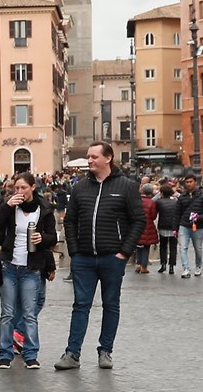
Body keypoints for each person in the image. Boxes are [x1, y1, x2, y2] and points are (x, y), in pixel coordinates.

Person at [57, 143, 143, 370]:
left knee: (111, 304)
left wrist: (124, 252)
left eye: (94, 156)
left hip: (111, 258)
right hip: (84, 258)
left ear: (108, 158)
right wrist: (74, 252)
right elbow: (70, 220)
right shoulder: (79, 188)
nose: (89, 160)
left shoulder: (126, 186)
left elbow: (138, 220)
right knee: (80, 305)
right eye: (88, 157)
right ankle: (72, 353)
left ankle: (105, 351)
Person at [0, 173, 55, 370]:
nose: (19, 192)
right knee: (7, 313)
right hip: (9, 265)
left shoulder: (44, 210)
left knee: (29, 313)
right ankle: (5, 354)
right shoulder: (9, 206)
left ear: (33, 187)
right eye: (16, 188)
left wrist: (42, 238)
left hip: (31, 267)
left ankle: (31, 354)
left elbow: (53, 237)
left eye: (23, 188)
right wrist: (6, 206)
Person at [132, 184, 159, 273]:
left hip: (137, 225)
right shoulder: (151, 202)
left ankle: (138, 264)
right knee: (146, 247)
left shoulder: (136, 201)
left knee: (138, 245)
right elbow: (153, 216)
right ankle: (144, 266)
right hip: (148, 226)